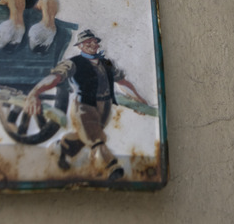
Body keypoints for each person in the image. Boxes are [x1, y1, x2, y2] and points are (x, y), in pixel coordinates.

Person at [24, 29, 149, 181]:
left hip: (105, 106)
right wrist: (34, 93)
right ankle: (111, 167)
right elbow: (55, 78)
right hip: (84, 106)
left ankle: (61, 148)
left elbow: (122, 82)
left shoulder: (106, 63)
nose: (92, 44)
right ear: (80, 46)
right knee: (96, 139)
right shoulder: (73, 63)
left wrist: (138, 99)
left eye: (94, 41)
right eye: (87, 42)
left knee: (87, 136)